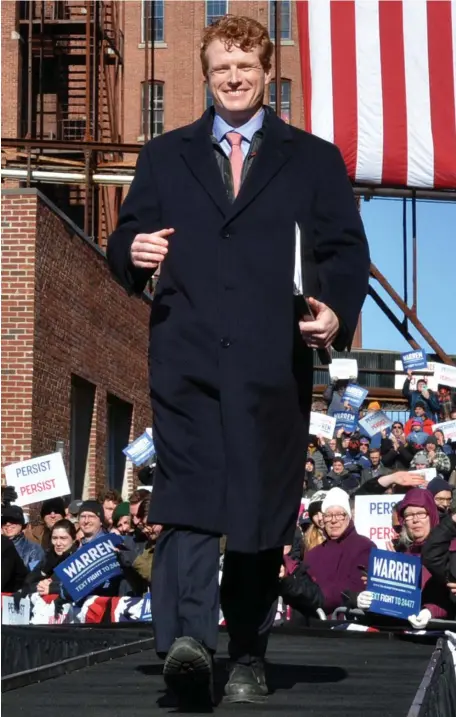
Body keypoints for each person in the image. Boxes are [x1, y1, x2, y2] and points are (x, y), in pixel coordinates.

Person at [106, 14, 370, 706]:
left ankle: (248, 650)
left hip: (271, 365)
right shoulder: (167, 156)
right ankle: (189, 642)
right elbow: (129, 231)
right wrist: (131, 251)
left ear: (265, 75)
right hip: (186, 357)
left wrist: (335, 309)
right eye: (222, 66)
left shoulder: (312, 159)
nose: (233, 77)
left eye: (246, 67)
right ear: (206, 72)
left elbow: (346, 251)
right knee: (188, 499)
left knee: (256, 513)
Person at [282, 488, 375, 618]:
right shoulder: (313, 553)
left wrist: (318, 596)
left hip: (347, 622)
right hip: (314, 625)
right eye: (328, 515)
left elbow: (356, 586)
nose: (333, 520)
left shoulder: (365, 547)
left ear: (348, 516)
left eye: (339, 515)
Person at [20, 519, 78, 597]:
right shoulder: (49, 556)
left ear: (73, 539)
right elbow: (28, 582)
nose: (58, 543)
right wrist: (44, 571)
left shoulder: (77, 559)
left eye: (63, 538)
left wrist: (51, 586)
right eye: (54, 538)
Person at [1, 505, 44, 570]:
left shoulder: (34, 550)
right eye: (4, 521)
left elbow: (34, 576)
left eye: (12, 521)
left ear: (21, 524)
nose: (8, 524)